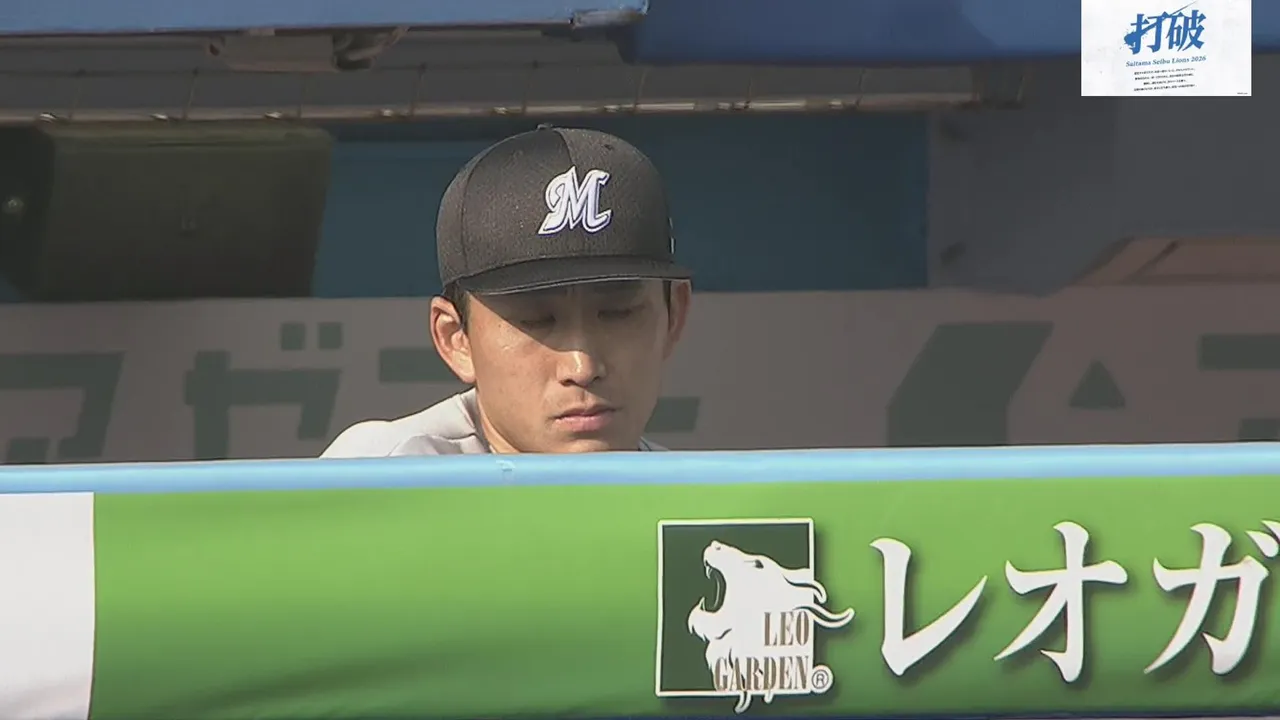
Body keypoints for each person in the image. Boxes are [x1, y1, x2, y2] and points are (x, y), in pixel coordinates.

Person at [321, 125, 693, 457]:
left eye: (617, 313)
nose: (581, 367)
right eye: (536, 320)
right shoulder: (382, 475)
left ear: (673, 315)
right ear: (456, 339)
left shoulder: (699, 499)